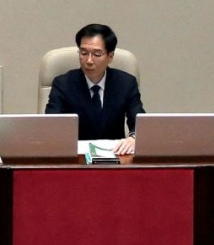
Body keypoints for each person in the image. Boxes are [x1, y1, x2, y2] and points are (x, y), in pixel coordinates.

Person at [44, 23, 143, 155]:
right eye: (84, 53)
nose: (89, 60)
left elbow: (138, 120)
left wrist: (134, 138)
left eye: (97, 54)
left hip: (115, 156)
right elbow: (52, 124)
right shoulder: (63, 84)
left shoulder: (126, 83)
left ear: (110, 56)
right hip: (75, 158)